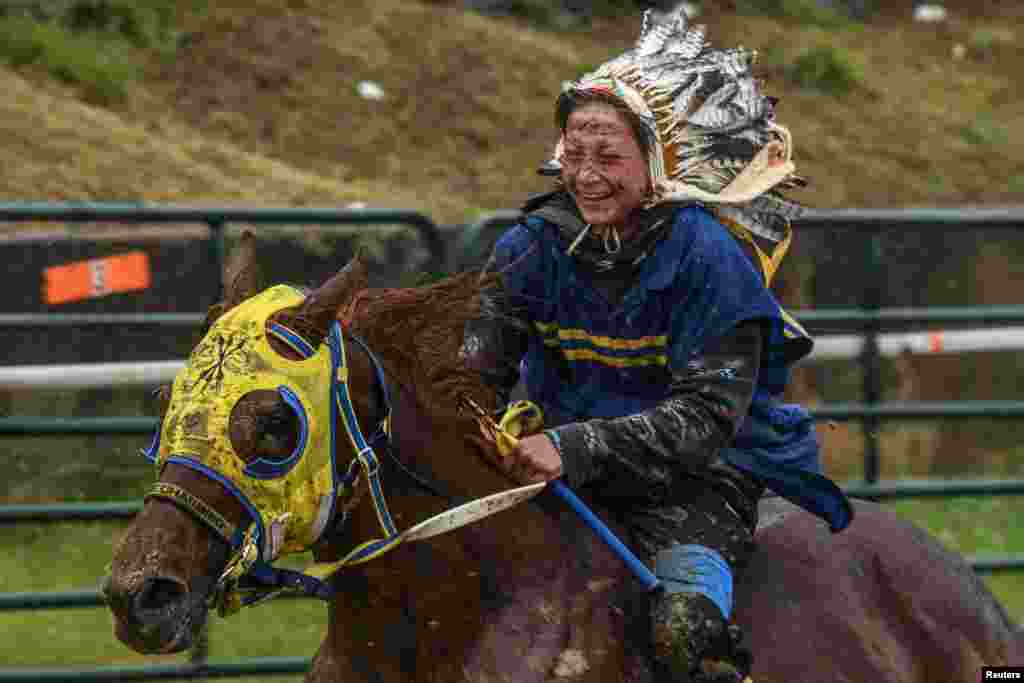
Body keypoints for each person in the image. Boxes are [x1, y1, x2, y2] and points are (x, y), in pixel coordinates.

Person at [462, 9, 853, 683]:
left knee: (682, 637)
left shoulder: (710, 259)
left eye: (608, 157)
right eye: (574, 154)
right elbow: (469, 379)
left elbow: (703, 422)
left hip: (700, 480)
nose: (585, 175)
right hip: (551, 467)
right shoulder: (525, 249)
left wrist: (571, 446)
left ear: (658, 164)